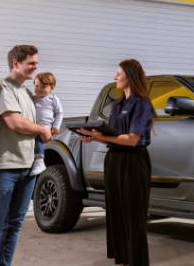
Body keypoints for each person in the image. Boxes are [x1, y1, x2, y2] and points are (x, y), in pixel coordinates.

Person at [0, 45, 53, 266]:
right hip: (3, 168)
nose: (35, 67)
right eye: (31, 63)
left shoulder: (27, 93)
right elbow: (14, 122)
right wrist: (42, 130)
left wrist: (47, 128)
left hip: (27, 168)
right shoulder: (2, 87)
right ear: (16, 63)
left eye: (36, 63)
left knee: (14, 224)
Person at [79, 59, 155, 266]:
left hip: (133, 160)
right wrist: (93, 137)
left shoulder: (141, 104)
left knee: (133, 214)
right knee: (116, 212)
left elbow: (132, 139)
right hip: (113, 159)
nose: (115, 77)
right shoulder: (116, 105)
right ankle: (122, 261)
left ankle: (136, 262)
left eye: (118, 73)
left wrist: (100, 137)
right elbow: (112, 136)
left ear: (130, 76)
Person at [29, 72, 63, 176]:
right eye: (36, 86)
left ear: (51, 87)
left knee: (38, 140)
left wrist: (56, 126)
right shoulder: (33, 98)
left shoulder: (53, 99)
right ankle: (35, 160)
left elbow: (59, 113)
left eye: (43, 86)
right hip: (35, 126)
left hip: (46, 127)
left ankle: (39, 160)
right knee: (34, 141)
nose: (39, 89)